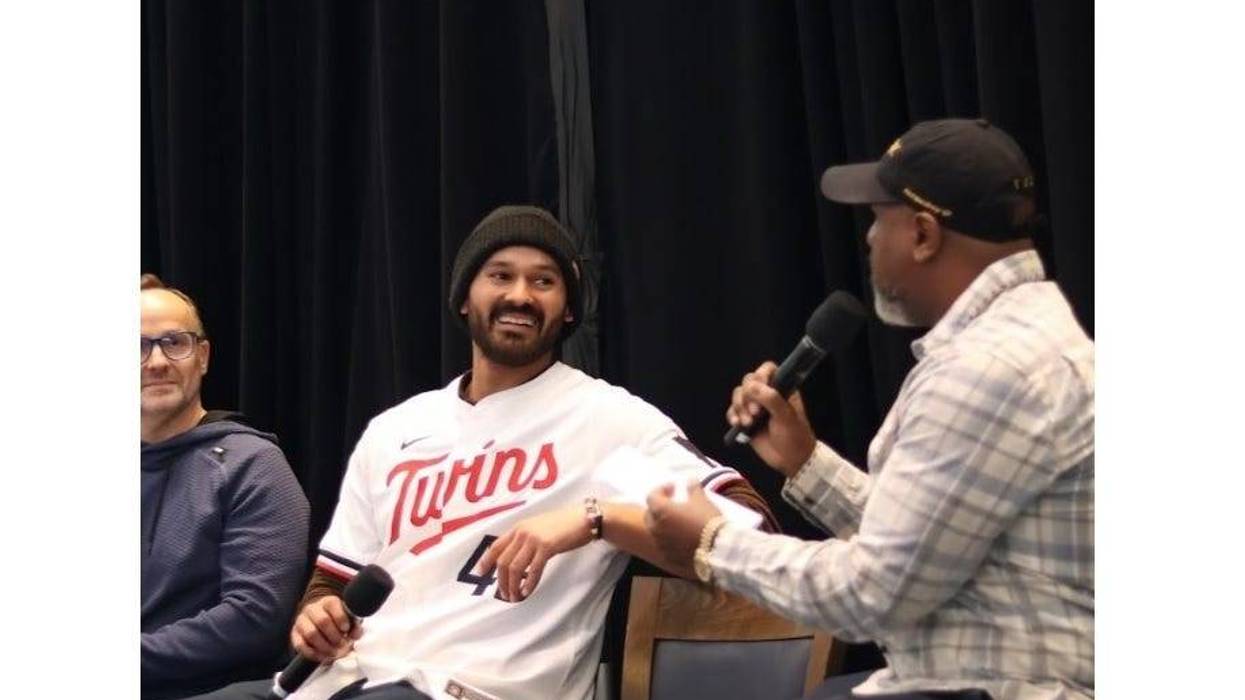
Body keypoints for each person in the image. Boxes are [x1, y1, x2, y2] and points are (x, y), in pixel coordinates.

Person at [194, 205, 776, 700]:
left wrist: (596, 521)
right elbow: (333, 583)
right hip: (348, 681)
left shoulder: (606, 422)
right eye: (500, 275)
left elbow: (750, 536)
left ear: (568, 309)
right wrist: (314, 620)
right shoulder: (398, 428)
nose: (520, 295)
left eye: (544, 281)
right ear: (466, 299)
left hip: (472, 687)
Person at [645, 119, 1094, 700]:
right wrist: (805, 462)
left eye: (879, 219)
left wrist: (711, 545)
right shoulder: (1021, 340)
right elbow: (923, 547)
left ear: (924, 234)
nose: (869, 241)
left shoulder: (988, 368)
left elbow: (872, 593)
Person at [141, 274, 312, 699]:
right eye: (138, 347)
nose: (157, 361)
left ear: (203, 356)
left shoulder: (252, 464)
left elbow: (253, 621)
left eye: (174, 342)